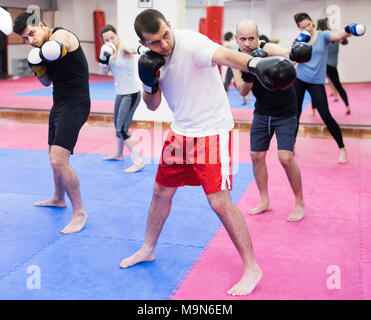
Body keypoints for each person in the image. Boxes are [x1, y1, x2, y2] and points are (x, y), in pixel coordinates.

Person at [119, 9, 297, 296]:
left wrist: (253, 64)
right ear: (144, 42)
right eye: (155, 42)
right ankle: (148, 248)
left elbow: (226, 56)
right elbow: (152, 105)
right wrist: (148, 81)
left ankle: (252, 266)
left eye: (166, 35)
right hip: (181, 132)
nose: (164, 44)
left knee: (219, 203)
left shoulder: (191, 42)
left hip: (212, 131)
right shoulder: (152, 61)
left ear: (170, 26)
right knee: (160, 192)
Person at [13, 11, 90, 234]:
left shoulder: (62, 36)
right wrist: (37, 69)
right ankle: (58, 198)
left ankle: (80, 213)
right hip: (59, 104)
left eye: (32, 33)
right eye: (25, 38)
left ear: (43, 25)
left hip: (76, 104)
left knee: (58, 160)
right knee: (52, 156)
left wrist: (50, 49)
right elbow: (46, 82)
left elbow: (60, 43)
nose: (30, 40)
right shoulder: (38, 52)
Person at [232, 20, 310, 222]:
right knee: (256, 155)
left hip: (285, 111)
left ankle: (300, 202)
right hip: (262, 112)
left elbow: (285, 53)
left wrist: (293, 52)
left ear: (258, 38)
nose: (247, 43)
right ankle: (264, 200)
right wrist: (251, 69)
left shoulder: (266, 47)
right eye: (243, 39)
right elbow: (242, 90)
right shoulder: (236, 59)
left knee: (285, 157)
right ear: (236, 39)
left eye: (251, 38)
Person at [293, 12, 365, 164]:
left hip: (316, 82)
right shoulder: (300, 39)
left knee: (325, 115)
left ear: (312, 22)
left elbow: (338, 35)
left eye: (308, 24)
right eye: (303, 27)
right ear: (299, 28)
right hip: (299, 79)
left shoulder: (323, 36)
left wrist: (349, 29)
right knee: (295, 115)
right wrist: (295, 46)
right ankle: (290, 146)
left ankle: (342, 149)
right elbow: (292, 59)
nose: (307, 28)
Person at [99, 24, 145, 173]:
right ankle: (119, 154)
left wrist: (143, 49)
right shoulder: (109, 52)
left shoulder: (124, 47)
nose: (110, 40)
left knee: (122, 129)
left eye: (112, 37)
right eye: (106, 39)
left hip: (131, 94)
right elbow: (104, 72)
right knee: (117, 126)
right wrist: (104, 58)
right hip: (120, 93)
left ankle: (138, 161)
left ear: (117, 36)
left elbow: (132, 49)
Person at [317, 18, 351, 115]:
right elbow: (345, 41)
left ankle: (313, 110)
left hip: (323, 64)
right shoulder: (335, 35)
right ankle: (347, 105)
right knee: (337, 85)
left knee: (316, 86)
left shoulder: (320, 36)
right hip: (332, 64)